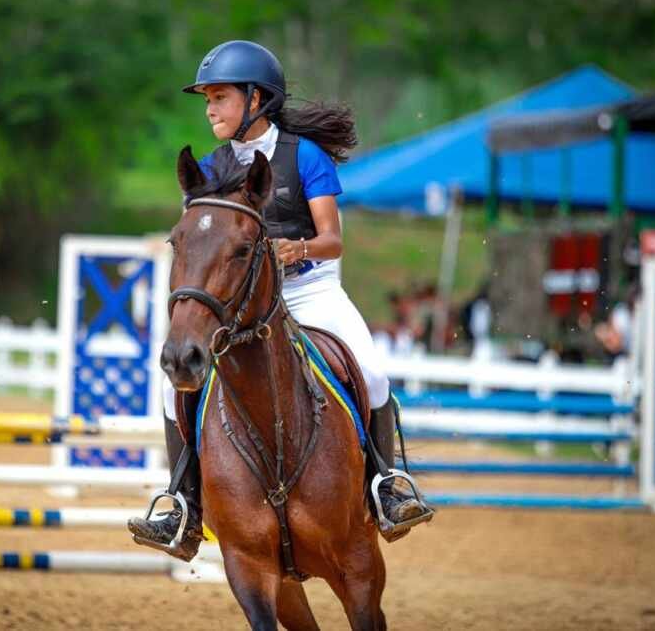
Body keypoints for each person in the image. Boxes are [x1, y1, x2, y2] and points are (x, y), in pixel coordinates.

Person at [128, 40, 433, 559]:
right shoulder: (210, 165)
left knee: (372, 371)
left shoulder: (302, 156)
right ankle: (182, 506)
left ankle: (389, 484)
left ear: (256, 99)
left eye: (220, 97)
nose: (209, 109)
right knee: (169, 389)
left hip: (310, 289)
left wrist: (299, 247)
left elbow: (333, 239)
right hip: (241, 303)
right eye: (207, 100)